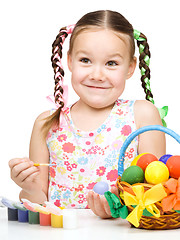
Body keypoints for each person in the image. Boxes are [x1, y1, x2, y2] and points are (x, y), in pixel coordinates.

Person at [9, 10, 165, 219]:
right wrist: (27, 186)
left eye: (111, 63)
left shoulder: (142, 115)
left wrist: (119, 204)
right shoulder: (47, 123)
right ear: (70, 61)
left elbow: (156, 194)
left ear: (130, 67)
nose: (97, 75)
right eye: (85, 60)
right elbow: (39, 202)